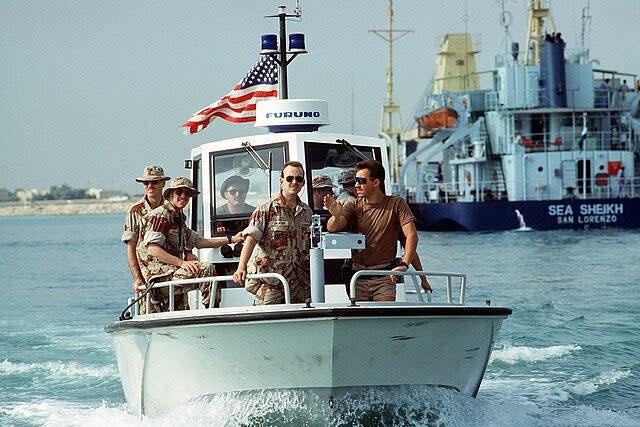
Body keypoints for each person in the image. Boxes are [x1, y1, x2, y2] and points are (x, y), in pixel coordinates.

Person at [137, 177, 244, 312]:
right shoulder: (161, 216)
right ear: (170, 195)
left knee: (180, 313)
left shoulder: (178, 217)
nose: (183, 196)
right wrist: (182, 263)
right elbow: (153, 250)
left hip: (172, 273)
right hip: (159, 278)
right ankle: (212, 312)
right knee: (206, 269)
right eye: (179, 192)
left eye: (187, 194)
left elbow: (198, 242)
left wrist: (231, 239)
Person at [324, 159, 419, 301]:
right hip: (358, 276)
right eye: (355, 181)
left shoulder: (396, 204)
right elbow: (332, 227)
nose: (356, 185)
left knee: (382, 317)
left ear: (376, 182)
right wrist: (336, 215)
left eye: (361, 181)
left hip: (385, 277)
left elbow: (411, 236)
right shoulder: (353, 206)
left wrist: (404, 265)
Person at [232, 161, 313, 305]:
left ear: (303, 183)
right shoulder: (266, 209)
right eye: (290, 178)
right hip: (272, 281)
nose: (294, 182)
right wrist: (241, 267)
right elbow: (251, 239)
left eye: (299, 179)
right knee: (265, 322)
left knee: (304, 322)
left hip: (300, 282)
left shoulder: (307, 212)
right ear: (281, 180)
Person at [121, 165, 171, 293]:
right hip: (147, 277)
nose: (150, 186)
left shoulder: (173, 209)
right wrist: (137, 278)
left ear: (163, 183)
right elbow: (131, 248)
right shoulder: (135, 212)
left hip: (172, 274)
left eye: (154, 182)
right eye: (146, 183)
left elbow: (184, 238)